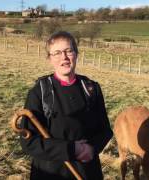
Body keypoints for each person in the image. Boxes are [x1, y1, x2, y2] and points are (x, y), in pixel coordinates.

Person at [20, 31, 113, 180]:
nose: (64, 57)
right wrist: (71, 149)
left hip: (87, 171)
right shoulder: (39, 93)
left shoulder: (92, 88)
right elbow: (29, 142)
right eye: (56, 53)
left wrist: (92, 148)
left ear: (76, 54)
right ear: (50, 59)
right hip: (50, 173)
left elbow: (105, 130)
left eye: (68, 51)